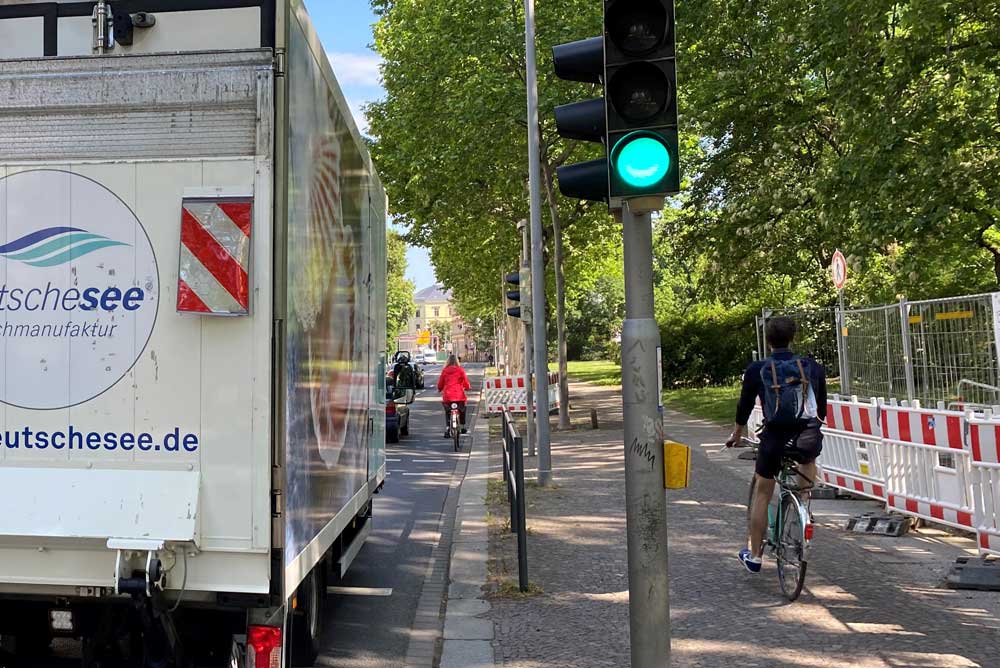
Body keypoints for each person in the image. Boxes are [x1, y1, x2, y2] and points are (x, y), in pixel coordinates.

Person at [725, 316, 827, 574]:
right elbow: (821, 411)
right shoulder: (812, 367)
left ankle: (756, 556)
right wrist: (811, 428)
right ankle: (804, 504)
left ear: (768, 340)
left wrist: (737, 433)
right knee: (808, 458)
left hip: (774, 438)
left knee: (762, 492)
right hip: (806, 436)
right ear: (793, 337)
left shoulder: (757, 369)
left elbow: (744, 406)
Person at [437, 354, 471, 438]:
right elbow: (466, 381)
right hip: (459, 395)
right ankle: (462, 426)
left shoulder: (445, 371)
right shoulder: (460, 370)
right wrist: (467, 387)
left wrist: (440, 388)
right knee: (462, 410)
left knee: (448, 412)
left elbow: (440, 383)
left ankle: (448, 428)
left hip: (448, 396)